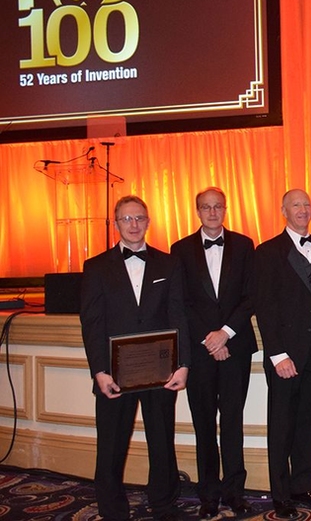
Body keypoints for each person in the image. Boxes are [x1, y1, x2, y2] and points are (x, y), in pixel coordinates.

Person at [80, 195, 191, 521]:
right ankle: (113, 511)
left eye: (139, 218)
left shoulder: (168, 263)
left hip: (160, 371)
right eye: (126, 219)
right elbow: (92, 323)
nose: (133, 224)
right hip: (114, 374)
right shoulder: (96, 266)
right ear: (116, 224)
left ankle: (164, 505)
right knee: (112, 446)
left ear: (148, 221)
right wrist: (99, 371)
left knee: (162, 442)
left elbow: (178, 316)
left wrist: (183, 364)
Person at [170, 187, 256, 518]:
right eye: (206, 207)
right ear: (197, 211)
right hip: (200, 350)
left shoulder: (245, 245)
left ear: (226, 209)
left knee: (233, 421)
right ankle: (208, 493)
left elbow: (251, 295)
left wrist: (225, 334)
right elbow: (181, 302)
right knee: (203, 423)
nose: (212, 212)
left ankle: (235, 491)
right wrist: (211, 340)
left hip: (236, 346)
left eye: (218, 206)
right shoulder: (179, 250)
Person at [254, 189, 311, 520]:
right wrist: (277, 354)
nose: (303, 210)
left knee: (307, 424)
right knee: (282, 427)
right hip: (285, 356)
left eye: (306, 204)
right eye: (296, 205)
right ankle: (281, 495)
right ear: (283, 210)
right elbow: (265, 307)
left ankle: (303, 485)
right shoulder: (267, 252)